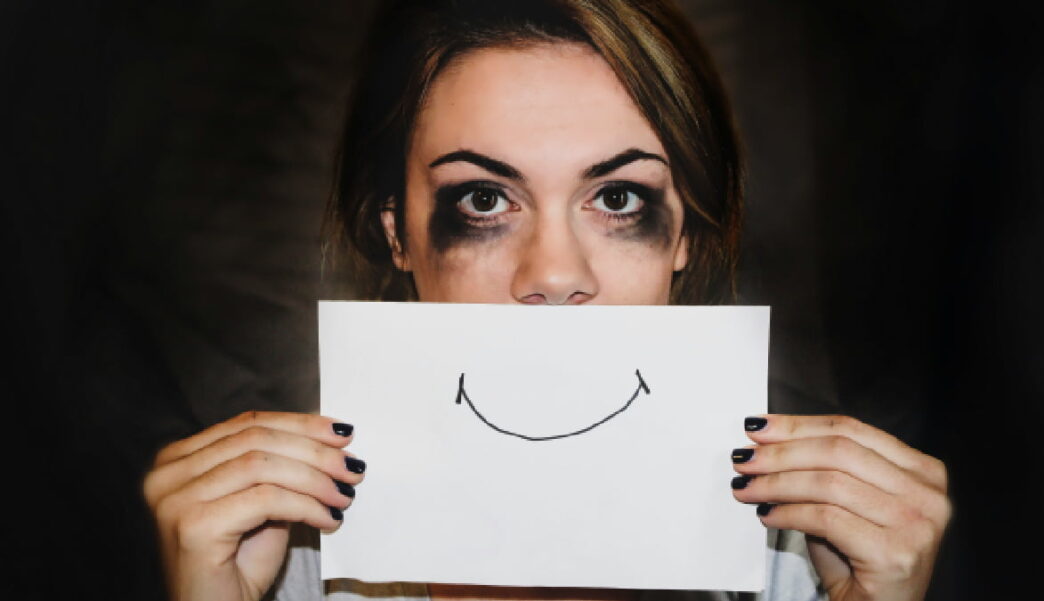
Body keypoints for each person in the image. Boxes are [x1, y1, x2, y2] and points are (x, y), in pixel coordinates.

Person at [142, 1, 951, 600]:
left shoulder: (808, 566)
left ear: (687, 240)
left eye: (620, 199)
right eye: (485, 201)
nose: (555, 274)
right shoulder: (277, 561)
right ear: (399, 236)